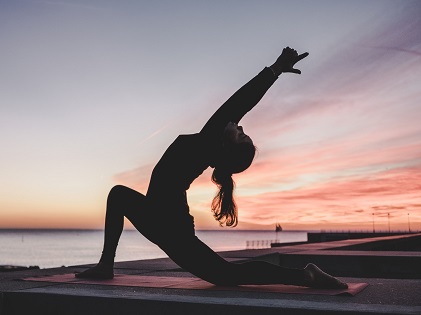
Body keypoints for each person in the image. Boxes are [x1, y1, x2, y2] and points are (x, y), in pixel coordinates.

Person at [75, 47, 347, 289]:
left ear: (226, 148)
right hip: (161, 218)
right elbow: (237, 108)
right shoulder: (208, 146)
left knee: (227, 276)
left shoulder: (207, 143)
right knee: (119, 195)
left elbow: (239, 102)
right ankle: (106, 265)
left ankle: (305, 276)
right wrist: (274, 71)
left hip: (169, 226)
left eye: (241, 134)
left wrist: (274, 70)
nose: (239, 126)